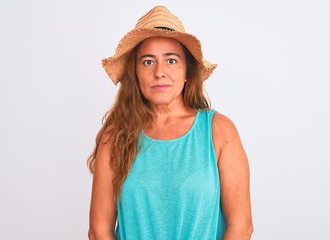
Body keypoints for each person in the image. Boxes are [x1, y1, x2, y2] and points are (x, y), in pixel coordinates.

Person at [87, 5, 253, 240]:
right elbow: (98, 231)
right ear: (135, 73)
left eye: (171, 60)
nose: (159, 72)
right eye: (147, 62)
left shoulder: (218, 131)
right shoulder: (115, 136)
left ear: (187, 71)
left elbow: (241, 226)